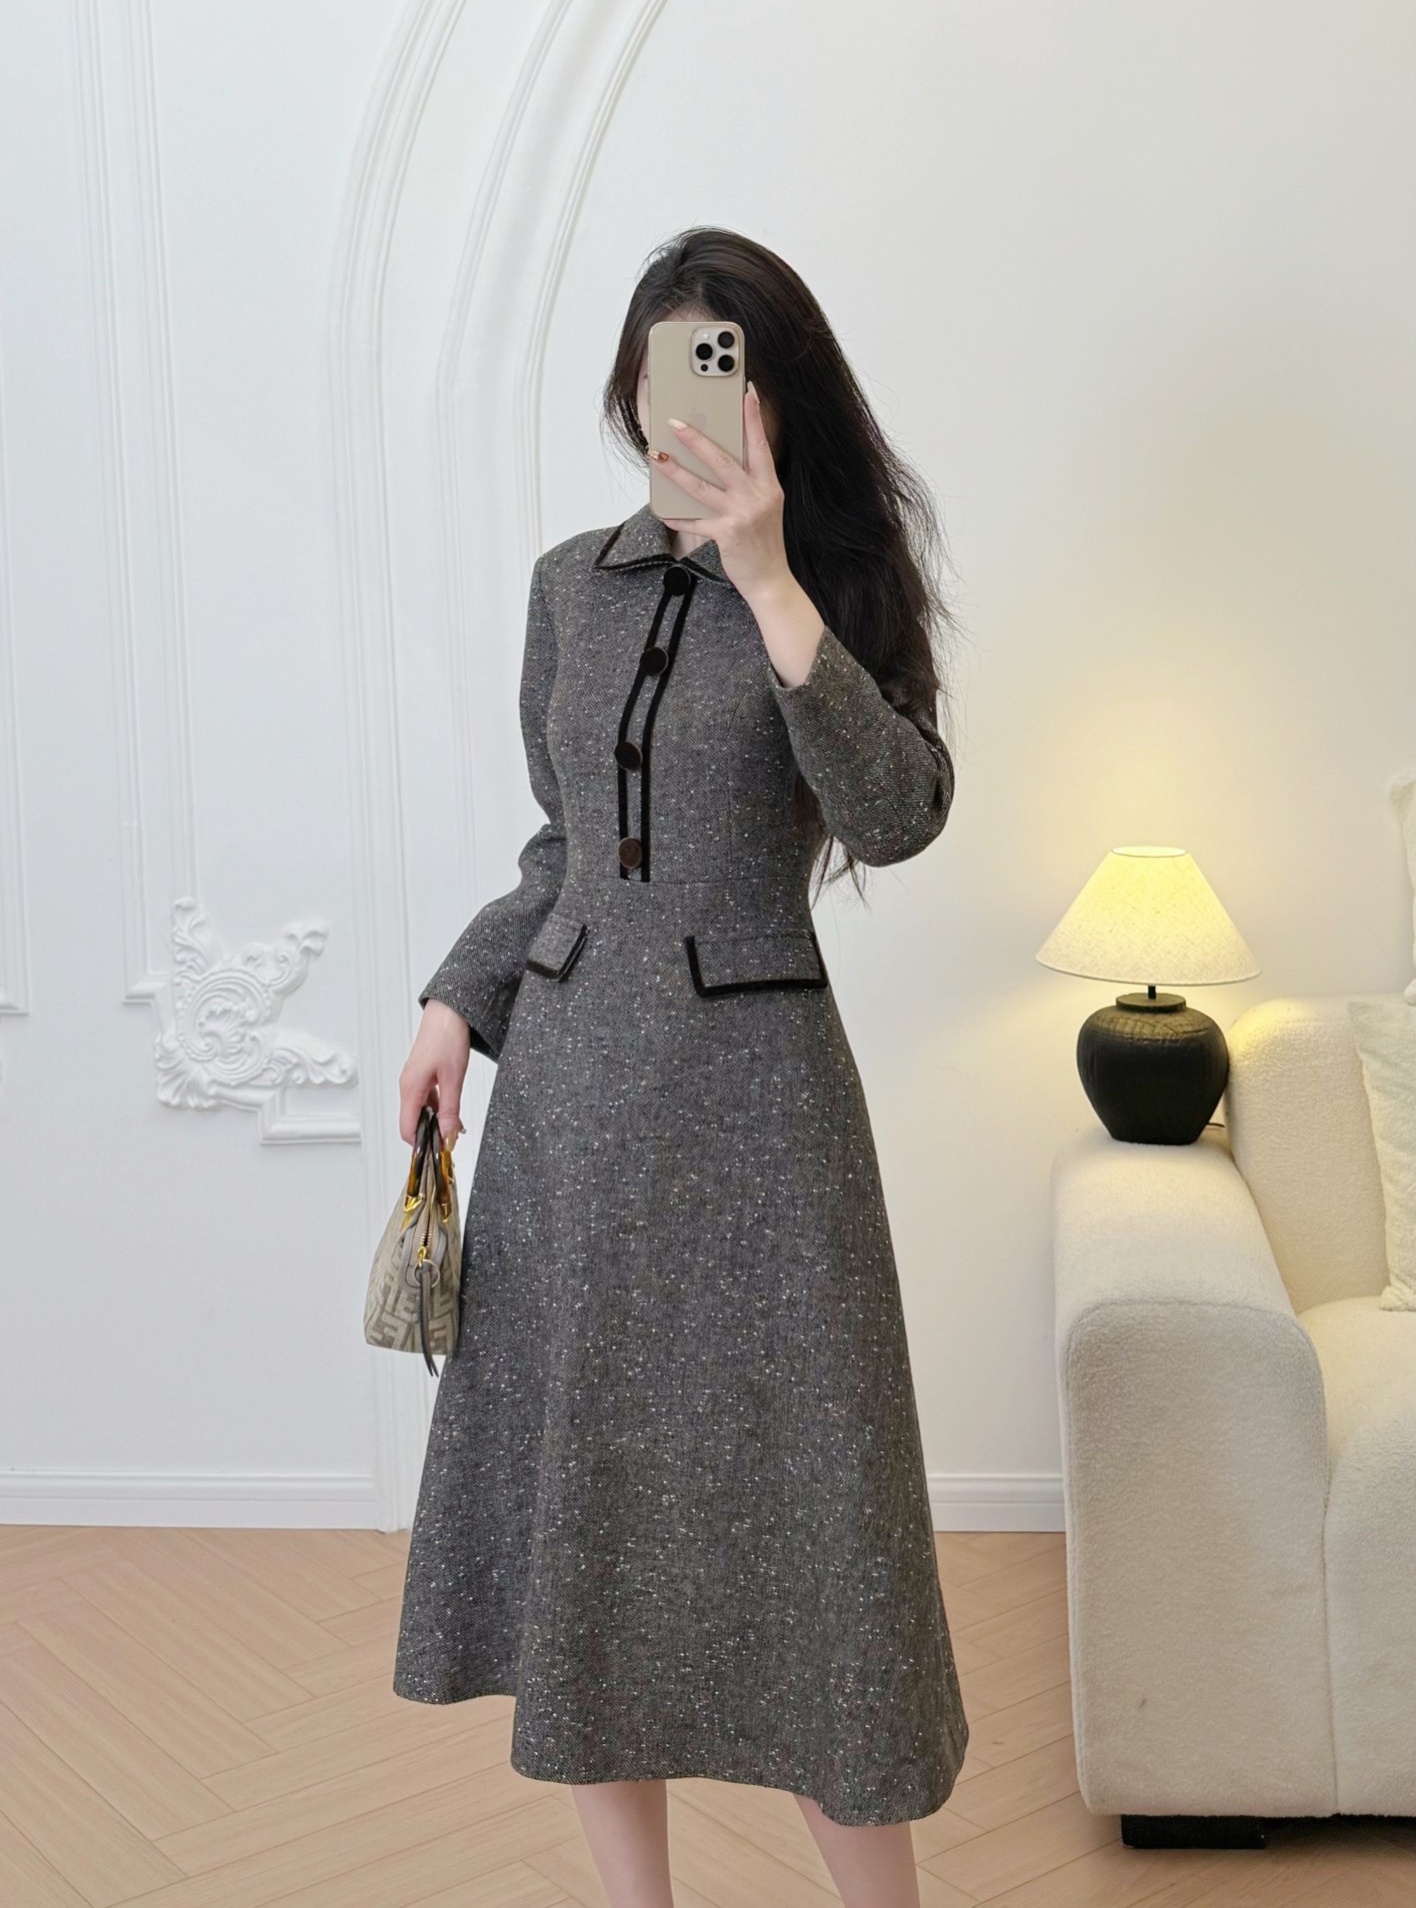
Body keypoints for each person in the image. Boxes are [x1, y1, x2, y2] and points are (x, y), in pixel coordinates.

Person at [392, 226, 969, 1908]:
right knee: (594, 1528)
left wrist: (771, 578)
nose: (683, 407)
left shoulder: (836, 589)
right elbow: (567, 849)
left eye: (719, 369)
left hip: (762, 1128)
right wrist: (457, 1002)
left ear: (776, 397)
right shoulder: (567, 586)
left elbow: (897, 815)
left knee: (820, 1538)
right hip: (571, 1118)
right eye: (662, 370)